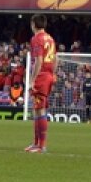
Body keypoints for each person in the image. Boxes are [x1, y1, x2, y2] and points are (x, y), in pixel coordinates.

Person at [25, 14, 56, 153]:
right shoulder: (50, 38)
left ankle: (41, 145)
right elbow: (55, 58)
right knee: (37, 109)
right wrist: (53, 75)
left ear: (33, 24)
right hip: (48, 75)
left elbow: (38, 60)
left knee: (40, 109)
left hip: (41, 76)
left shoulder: (36, 39)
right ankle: (37, 143)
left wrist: (32, 80)